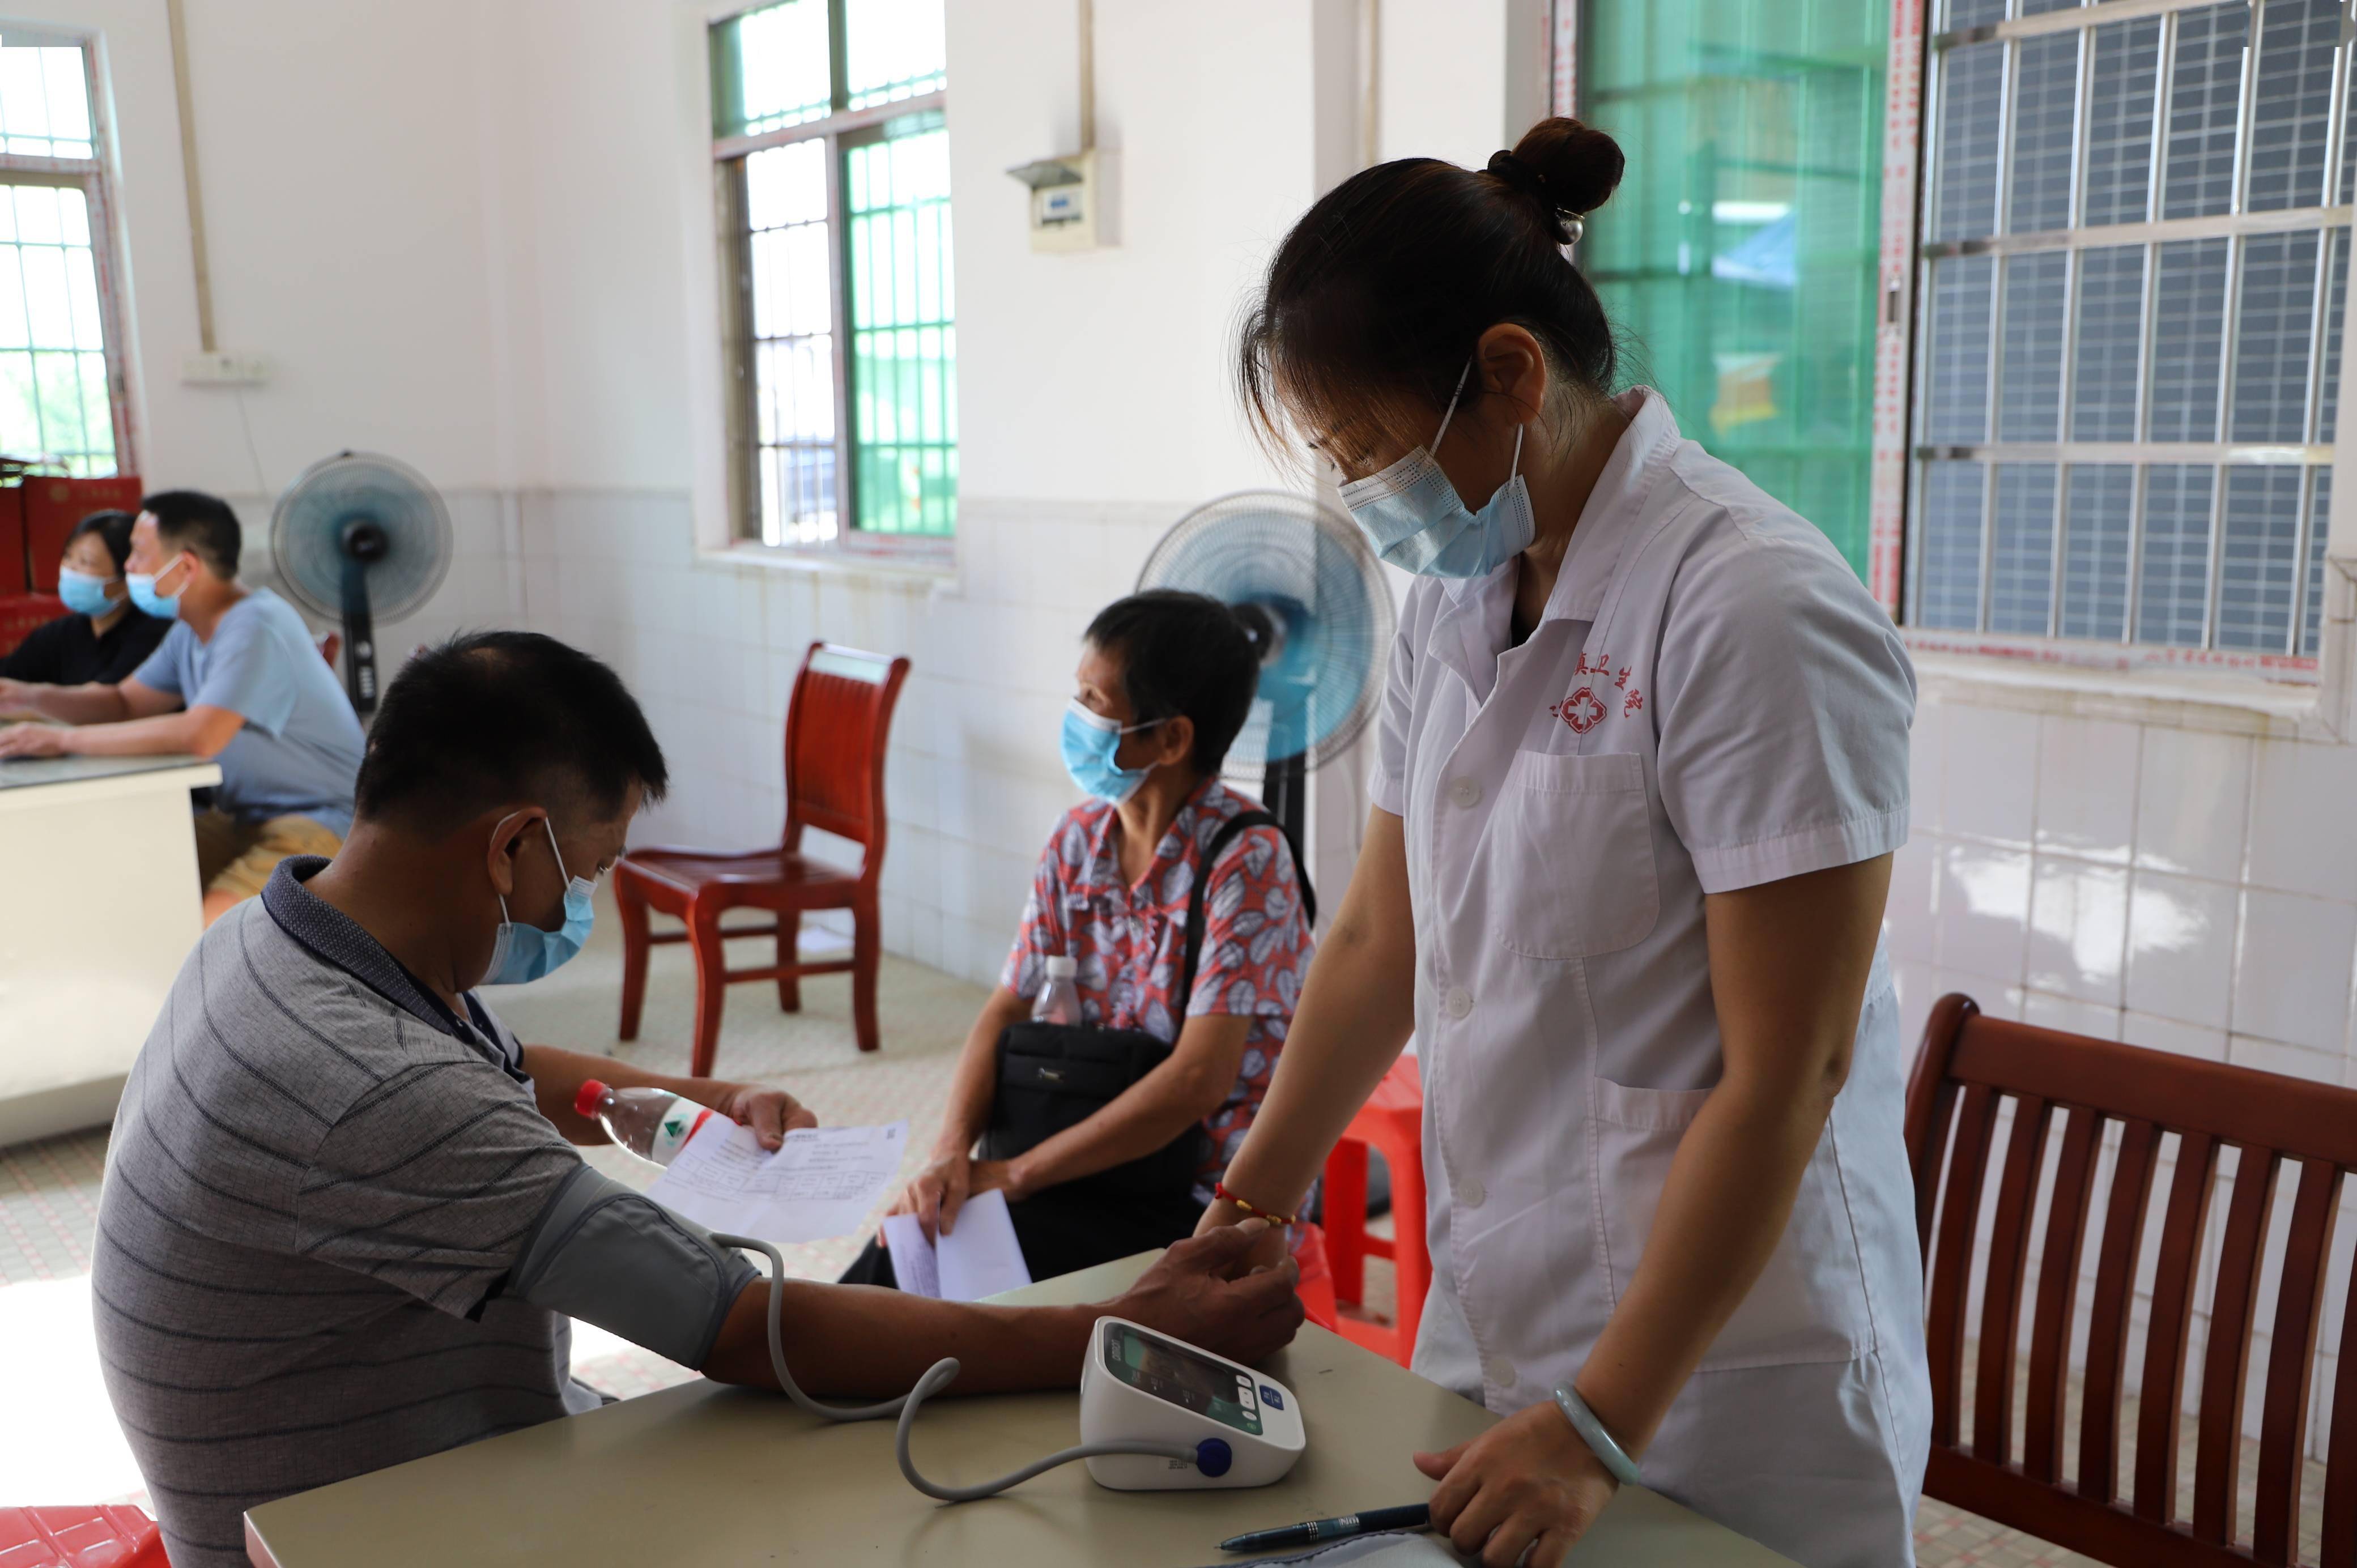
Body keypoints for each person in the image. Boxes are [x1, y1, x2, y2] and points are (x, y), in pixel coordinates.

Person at [91, 629, 1303, 1568]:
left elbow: (493, 1063)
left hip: (347, 1458)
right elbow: (740, 1325)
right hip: (360, 1519)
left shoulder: (276, 935)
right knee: (847, 1474)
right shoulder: (371, 1090)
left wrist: (695, 1097)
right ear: (512, 845)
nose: (586, 906)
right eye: (592, 869)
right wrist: (1117, 1337)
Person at [1196, 118, 1928, 1568]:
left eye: (1372, 454)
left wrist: (1601, 1420)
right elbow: (1376, 940)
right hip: (1503, 1296)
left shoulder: (1751, 608)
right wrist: (1249, 1204)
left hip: (1719, 1371)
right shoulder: (1457, 603)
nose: (1364, 499)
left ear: (1513, 375)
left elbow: (1794, 1070)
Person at [845, 590, 1315, 1286]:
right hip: (1074, 1160)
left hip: (1192, 1196)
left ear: (1171, 738)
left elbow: (1196, 1080)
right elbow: (1006, 1007)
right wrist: (951, 1153)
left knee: (946, 1296)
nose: (1077, 719)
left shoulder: (1246, 863)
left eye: (1096, 703)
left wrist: (1012, 1174)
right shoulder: (1078, 841)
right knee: (899, 1256)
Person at [0, 489, 365, 924]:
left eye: (137, 554)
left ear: (186, 567)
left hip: (323, 821)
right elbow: (123, 702)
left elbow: (202, 733)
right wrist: (24, 695)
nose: (130, 568)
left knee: (214, 926)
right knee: (126, 870)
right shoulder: (189, 631)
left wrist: (61, 740)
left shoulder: (256, 625)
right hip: (245, 818)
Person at [0, 510, 169, 689]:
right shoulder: (64, 632)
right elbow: (11, 673)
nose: (70, 569)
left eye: (86, 562)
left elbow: (110, 703)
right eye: (68, 556)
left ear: (128, 576)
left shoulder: (154, 636)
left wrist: (28, 701)